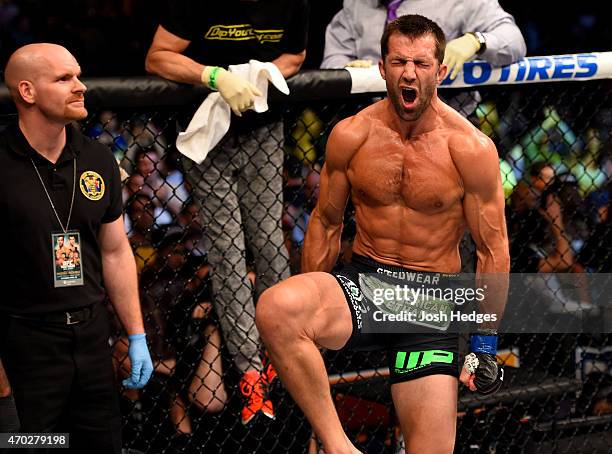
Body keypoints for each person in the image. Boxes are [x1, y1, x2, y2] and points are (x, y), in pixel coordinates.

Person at [256, 15, 509, 453]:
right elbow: (326, 224)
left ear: (440, 70)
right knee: (279, 307)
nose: (409, 73)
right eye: (399, 61)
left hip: (431, 302)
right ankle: (340, 447)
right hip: (367, 287)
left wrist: (485, 342)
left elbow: (492, 250)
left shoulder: (470, 148)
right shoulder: (352, 135)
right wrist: (310, 305)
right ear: (382, 67)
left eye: (421, 63)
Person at [144, 0, 309, 424]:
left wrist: (260, 75)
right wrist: (213, 76)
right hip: (205, 129)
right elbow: (157, 56)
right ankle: (250, 372)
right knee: (227, 252)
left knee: (272, 242)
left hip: (262, 125)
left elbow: (296, 54)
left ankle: (279, 351)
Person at [0, 43, 153, 454]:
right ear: (28, 92)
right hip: (23, 344)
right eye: (64, 78)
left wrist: (136, 333)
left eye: (78, 75)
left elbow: (116, 251)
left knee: (100, 445)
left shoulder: (98, 158)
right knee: (33, 446)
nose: (80, 86)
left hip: (90, 339)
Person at [321, 0, 526, 115]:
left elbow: (514, 39)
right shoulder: (356, 4)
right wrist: (346, 69)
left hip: (450, 121)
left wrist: (476, 41)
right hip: (372, 123)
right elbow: (331, 60)